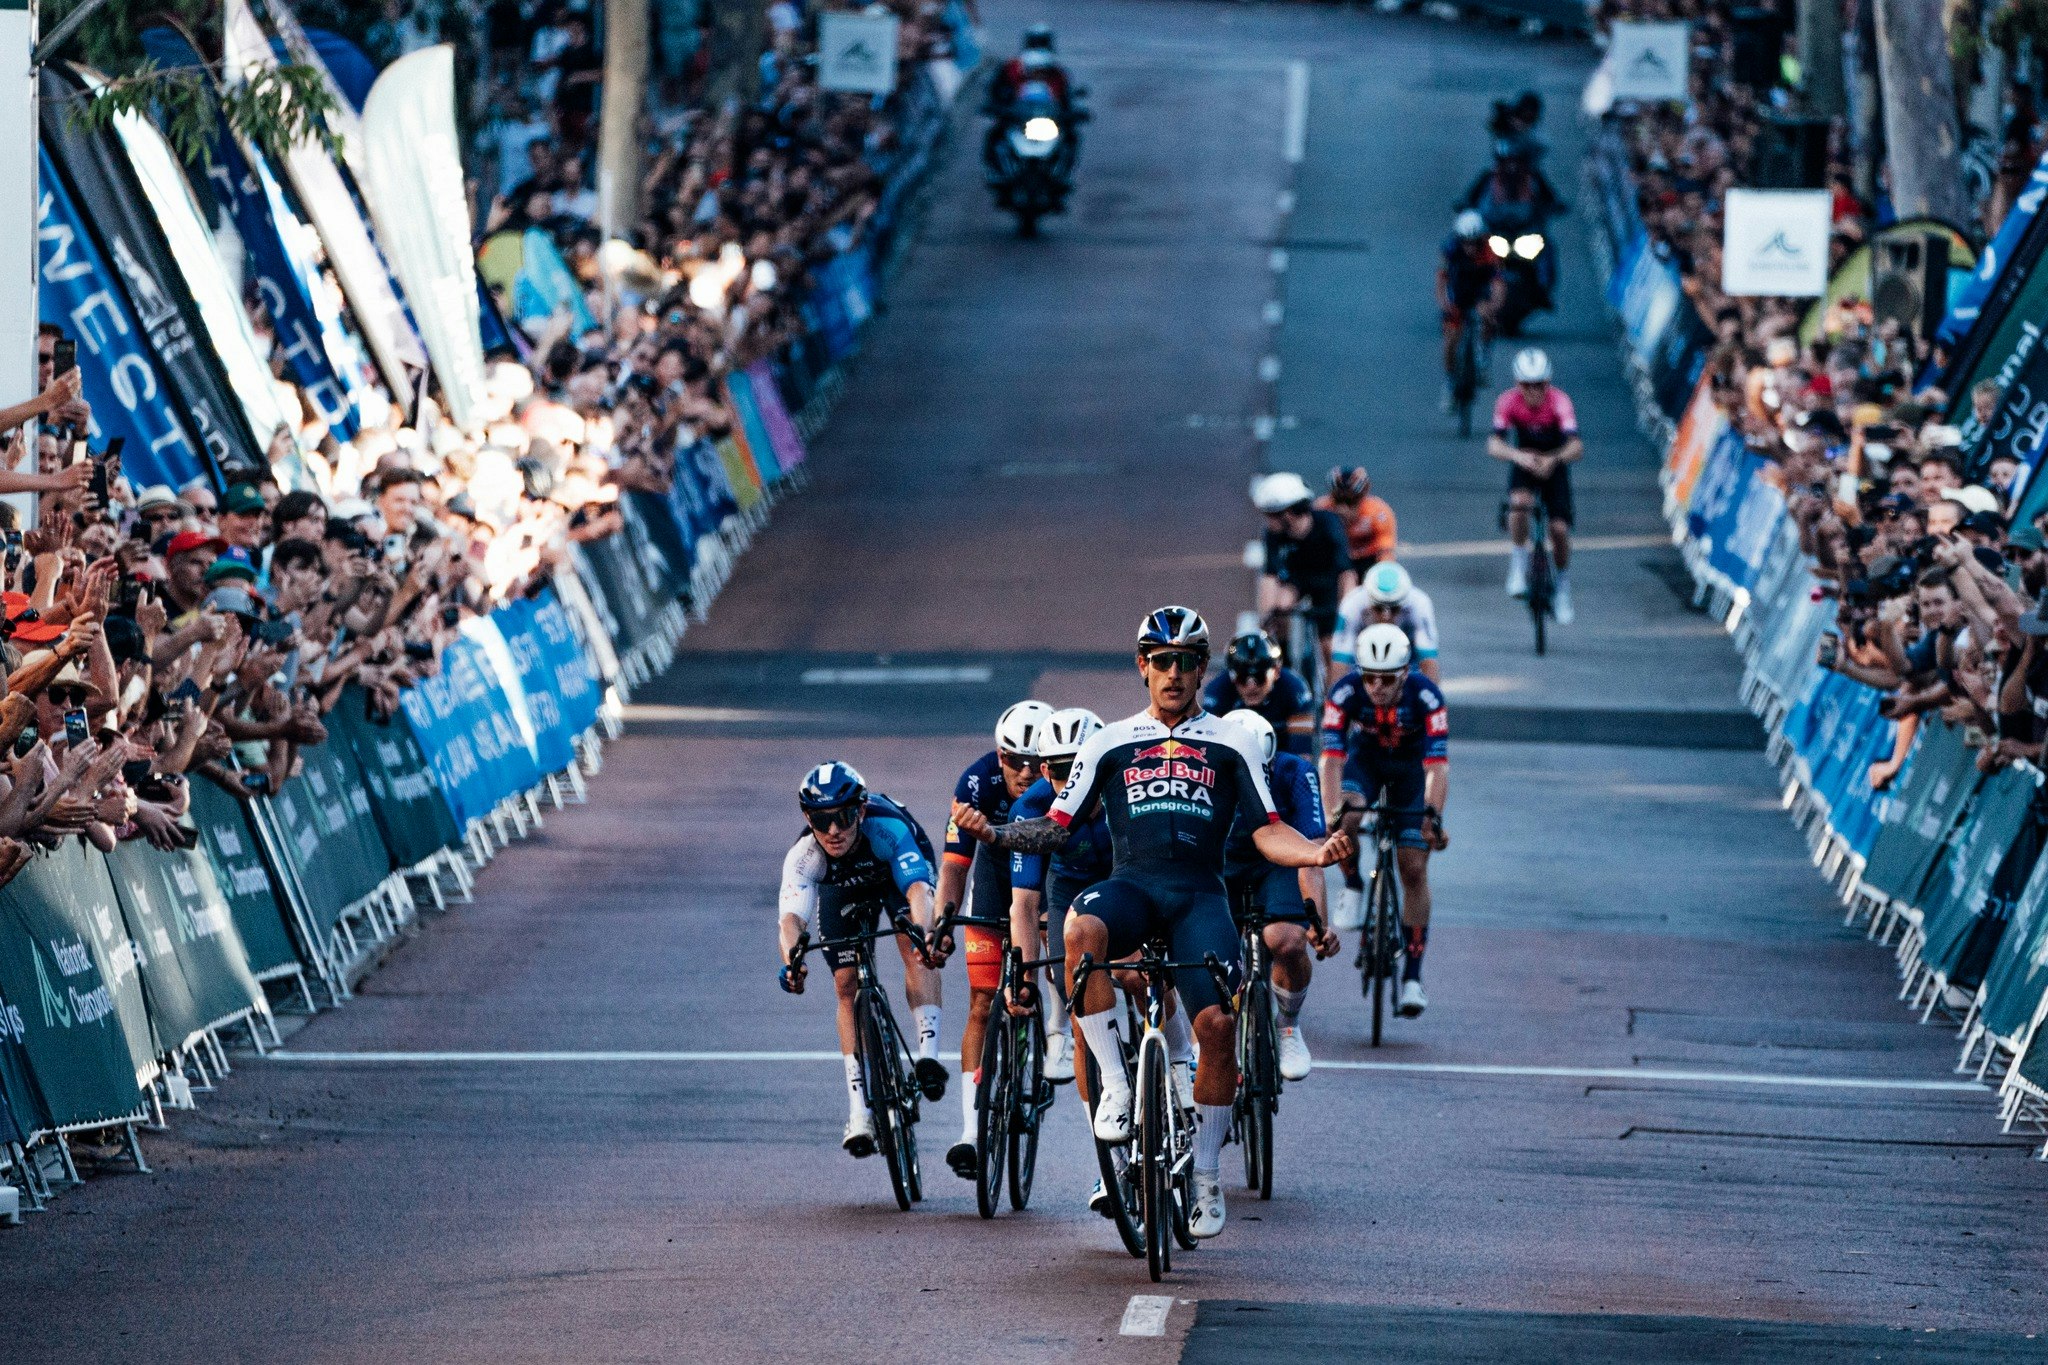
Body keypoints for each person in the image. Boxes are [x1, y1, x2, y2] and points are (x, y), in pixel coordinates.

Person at [953, 606, 1352, 1240]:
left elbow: (1267, 830)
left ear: (1202, 669)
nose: (1173, 673)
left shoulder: (1232, 741)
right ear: (1143, 666)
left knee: (1218, 1027)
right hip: (1133, 888)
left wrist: (1314, 853)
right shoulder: (1109, 742)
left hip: (1199, 897)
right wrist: (997, 833)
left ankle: (1207, 1176)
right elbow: (1056, 827)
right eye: (1161, 661)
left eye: (1186, 662)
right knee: (1079, 929)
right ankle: (1115, 1084)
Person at [776, 762, 947, 1159]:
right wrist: (793, 964)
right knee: (845, 985)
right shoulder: (805, 855)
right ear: (808, 819)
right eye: (822, 820)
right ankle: (859, 1113)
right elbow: (790, 921)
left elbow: (918, 891)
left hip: (896, 873)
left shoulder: (888, 828)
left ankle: (928, 1057)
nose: (834, 830)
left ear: (862, 810)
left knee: (914, 949)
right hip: (843, 886)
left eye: (844, 816)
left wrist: (925, 934)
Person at [935, 699, 1052, 1180]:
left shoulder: (1064, 779)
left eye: (1035, 762)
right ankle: (970, 1132)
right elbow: (953, 866)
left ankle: (1054, 1037)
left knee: (1057, 963)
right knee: (982, 1003)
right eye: (1014, 760)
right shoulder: (975, 783)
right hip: (994, 880)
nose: (1025, 772)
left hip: (1046, 877)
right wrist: (941, 924)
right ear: (999, 755)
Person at [1320, 625, 1449, 1018]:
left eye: (1387, 679)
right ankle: (1353, 884)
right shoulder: (1344, 693)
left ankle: (1412, 977)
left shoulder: (1428, 696)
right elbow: (1331, 761)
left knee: (1413, 867)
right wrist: (1332, 812)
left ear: (1405, 674)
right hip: (1367, 762)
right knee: (1347, 816)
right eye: (1369, 677)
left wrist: (1432, 816)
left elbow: (1437, 767)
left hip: (1412, 771)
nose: (1376, 687)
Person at [1220, 710, 1338, 1081]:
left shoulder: (1296, 773)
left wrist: (1318, 924)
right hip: (1220, 865)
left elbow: (1312, 855)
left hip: (1278, 862)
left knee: (1285, 940)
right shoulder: (1202, 772)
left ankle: (1288, 1024)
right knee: (1209, 954)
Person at [1003, 706, 1112, 1084]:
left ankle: (1175, 1055)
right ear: (1046, 770)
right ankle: (1068, 1039)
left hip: (1120, 877)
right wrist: (1023, 977)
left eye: (1084, 767)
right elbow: (1024, 905)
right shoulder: (1029, 808)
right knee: (1068, 985)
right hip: (1068, 884)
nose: (1075, 781)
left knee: (1139, 975)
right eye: (1064, 770)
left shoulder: (1124, 790)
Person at [1488, 347, 1581, 624]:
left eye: (1539, 384)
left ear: (1547, 382)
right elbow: (1494, 444)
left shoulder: (1560, 402)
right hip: (1525, 462)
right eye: (1526, 385)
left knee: (1559, 529)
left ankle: (1562, 586)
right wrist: (1518, 456)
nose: (1533, 391)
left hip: (1554, 465)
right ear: (1517, 383)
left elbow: (1576, 446)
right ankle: (1518, 563)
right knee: (1518, 505)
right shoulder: (1507, 401)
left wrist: (1554, 459)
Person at [1253, 471, 1357, 672]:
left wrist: (1347, 613)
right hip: (1297, 582)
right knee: (1280, 605)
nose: (1267, 521)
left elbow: (1347, 574)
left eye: (1270, 515)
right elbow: (1270, 576)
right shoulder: (1273, 534)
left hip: (1328, 584)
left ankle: (1332, 689)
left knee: (1330, 648)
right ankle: (1284, 662)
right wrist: (1265, 618)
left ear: (1288, 514)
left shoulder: (1329, 524)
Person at [1201, 631, 1316, 754]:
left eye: (1259, 677)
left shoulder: (1294, 689)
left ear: (1276, 672)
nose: (1251, 686)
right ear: (1231, 675)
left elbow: (1302, 754)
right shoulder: (1217, 690)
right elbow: (1209, 751)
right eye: (1242, 678)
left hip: (1281, 757)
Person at [1333, 561, 1441, 682]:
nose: (1386, 616)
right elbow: (1340, 659)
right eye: (1379, 608)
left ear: (1404, 603)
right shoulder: (1352, 604)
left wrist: (1431, 692)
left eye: (1394, 609)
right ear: (1368, 601)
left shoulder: (1419, 603)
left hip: (1408, 655)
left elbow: (1428, 659)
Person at [1438, 210, 1503, 405]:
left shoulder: (1491, 251)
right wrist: (1445, 305)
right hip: (1458, 292)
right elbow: (1441, 282)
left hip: (1480, 292)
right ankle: (1449, 383)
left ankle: (1483, 356)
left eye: (1475, 242)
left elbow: (1499, 284)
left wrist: (1493, 306)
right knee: (1451, 337)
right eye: (1466, 242)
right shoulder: (1450, 250)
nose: (1471, 247)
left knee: (1488, 318)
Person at [1318, 465, 1398, 570]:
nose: (1343, 509)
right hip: (1333, 561)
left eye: (1350, 502)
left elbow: (1386, 552)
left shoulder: (1378, 513)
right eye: (1338, 501)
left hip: (1367, 561)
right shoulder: (1320, 509)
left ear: (1362, 498)